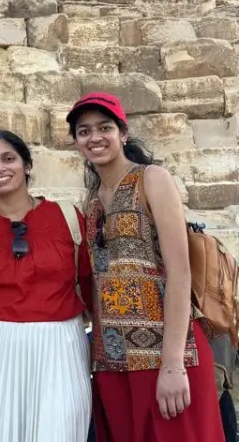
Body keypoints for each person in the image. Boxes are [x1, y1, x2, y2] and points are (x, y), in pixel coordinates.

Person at [68, 92, 225, 442]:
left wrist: (172, 366)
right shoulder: (90, 200)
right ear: (77, 142)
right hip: (112, 360)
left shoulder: (151, 179)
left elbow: (179, 273)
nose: (94, 137)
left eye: (104, 127)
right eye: (84, 131)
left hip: (165, 355)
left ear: (123, 133)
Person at [0, 129, 92, 442]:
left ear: (27, 164)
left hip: (60, 345)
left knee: (59, 431)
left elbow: (89, 282)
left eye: (8, 158)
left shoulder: (67, 217)